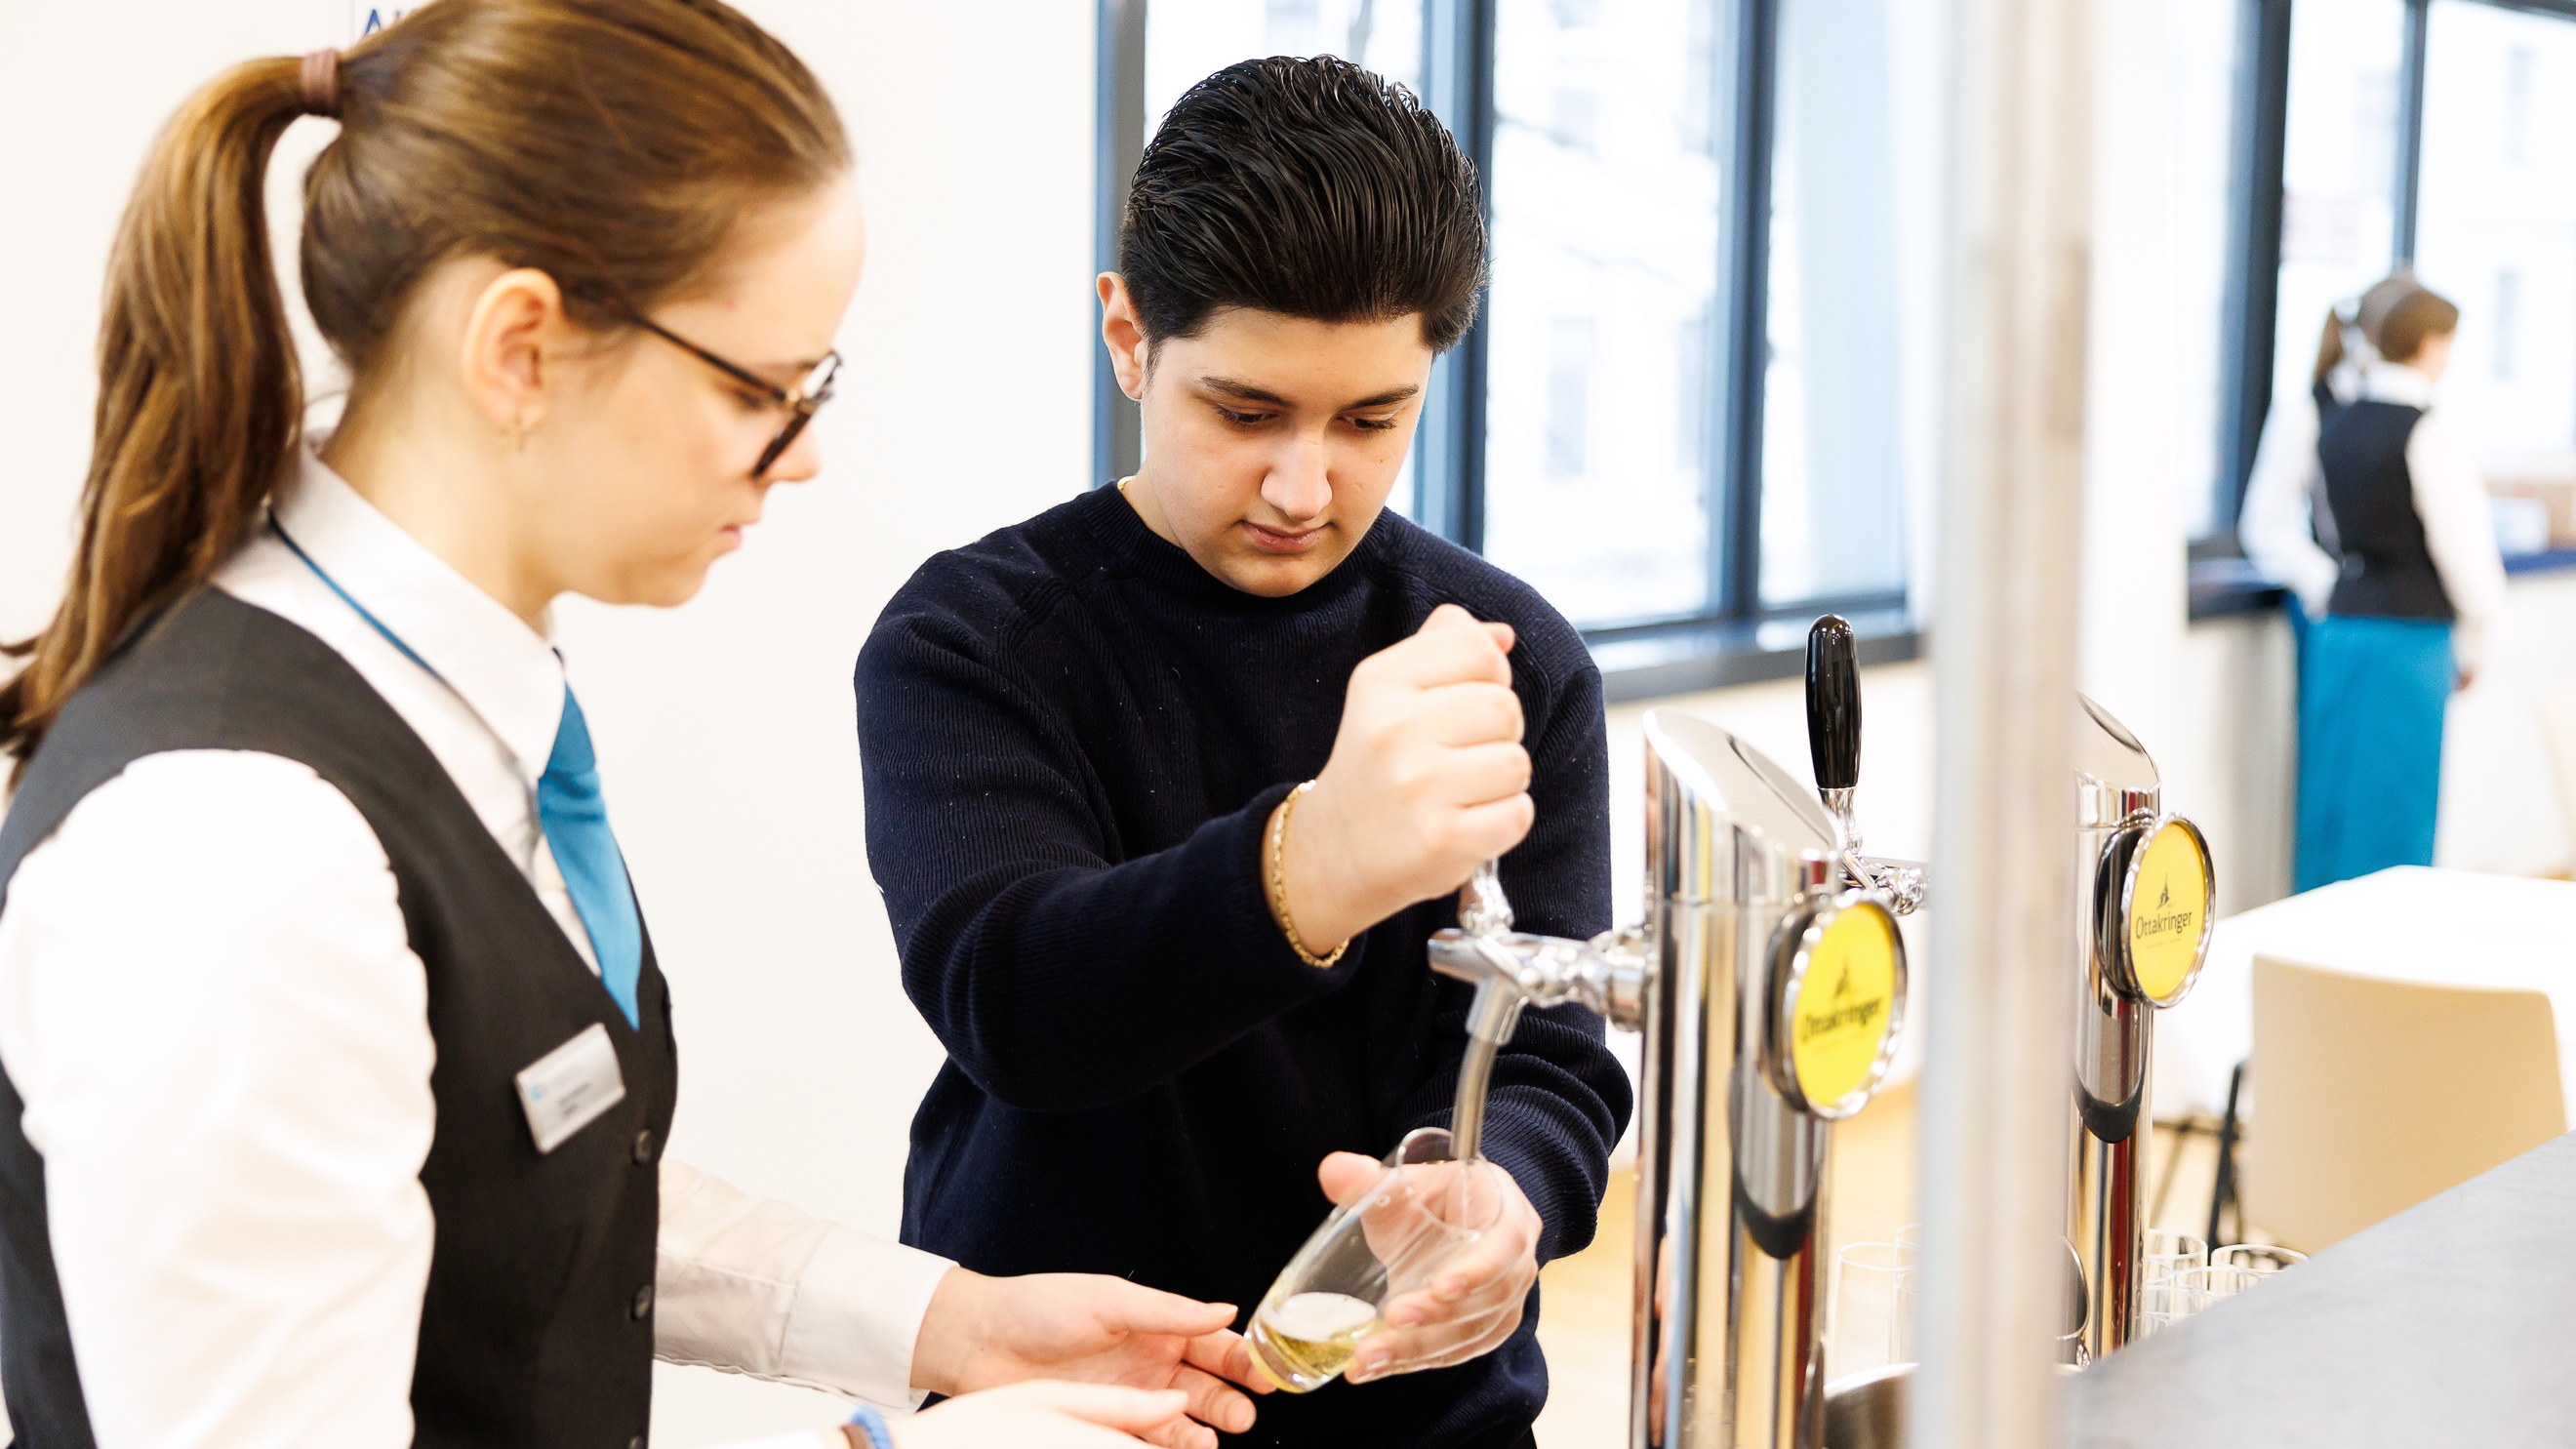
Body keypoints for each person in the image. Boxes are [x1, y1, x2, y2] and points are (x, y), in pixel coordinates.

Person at [0, 5, 1268, 1447]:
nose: (803, 459)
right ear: (522, 347)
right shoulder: (242, 851)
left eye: (814, 388)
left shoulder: (462, 703)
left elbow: (517, 1173)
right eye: (758, 392)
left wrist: (938, 1322)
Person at [856, 58, 1630, 1449]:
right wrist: (1313, 864)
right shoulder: (974, 640)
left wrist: (1510, 1193)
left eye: (1370, 421)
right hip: (1061, 1408)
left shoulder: (1510, 657)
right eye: (1247, 411)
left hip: (1419, 1416)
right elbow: (1020, 1007)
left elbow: (1552, 1052)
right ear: (1128, 332)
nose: (1301, 485)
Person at [2284, 283, 2504, 890]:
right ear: (2431, 345)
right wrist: (2477, 641)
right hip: (2410, 641)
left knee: (2330, 805)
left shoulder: (2333, 422)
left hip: (2340, 633)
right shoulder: (2430, 432)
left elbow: (2328, 531)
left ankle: (2307, 964)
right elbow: (2467, 563)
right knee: (2394, 814)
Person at [2239, 273, 2427, 620]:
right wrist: (2333, 587)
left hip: (2405, 615)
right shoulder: (2309, 412)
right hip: (2335, 612)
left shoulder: (2414, 418)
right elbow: (2264, 525)